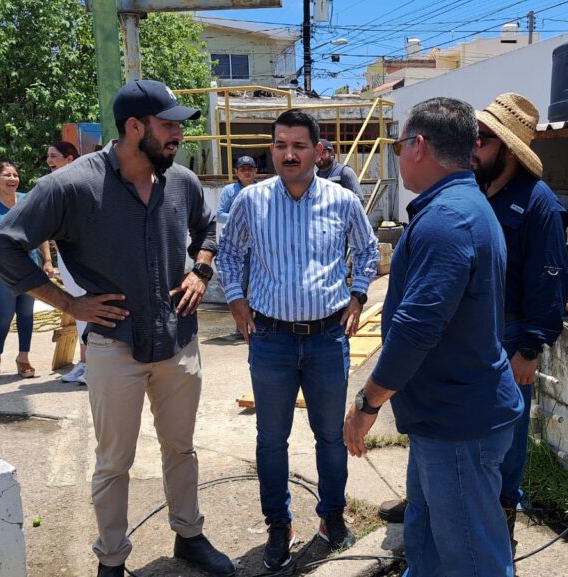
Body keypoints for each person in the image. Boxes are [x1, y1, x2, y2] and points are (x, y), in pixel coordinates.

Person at [0, 79, 235, 577]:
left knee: (180, 448)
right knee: (113, 461)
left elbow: (210, 226)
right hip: (115, 346)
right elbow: (1, 247)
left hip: (178, 341)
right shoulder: (71, 185)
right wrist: (68, 303)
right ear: (135, 127)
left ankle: (189, 535)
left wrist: (200, 270)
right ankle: (112, 561)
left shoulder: (180, 182)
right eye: (167, 125)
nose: (177, 135)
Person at [343, 97, 522, 577]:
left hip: (458, 424)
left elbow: (415, 330)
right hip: (444, 419)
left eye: (400, 145)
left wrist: (367, 404)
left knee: (470, 558)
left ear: (418, 145)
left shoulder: (448, 219)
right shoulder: (462, 207)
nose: (398, 155)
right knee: (427, 542)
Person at [218, 109, 379, 571]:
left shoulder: (342, 200)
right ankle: (278, 525)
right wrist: (235, 299)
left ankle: (331, 519)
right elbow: (229, 252)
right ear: (272, 149)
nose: (289, 154)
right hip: (271, 340)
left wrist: (358, 294)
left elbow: (367, 250)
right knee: (271, 439)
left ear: (318, 150)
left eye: (299, 146)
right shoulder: (252, 201)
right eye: (281, 145)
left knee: (330, 436)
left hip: (329, 338)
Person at [473, 92, 568, 550]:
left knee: (508, 437)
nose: (473, 147)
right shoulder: (473, 192)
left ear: (508, 149)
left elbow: (549, 282)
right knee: (461, 425)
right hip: (470, 330)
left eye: (483, 140)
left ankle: (502, 523)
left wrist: (530, 348)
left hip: (511, 335)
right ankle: (436, 502)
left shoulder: (538, 203)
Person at [0, 161, 53, 380]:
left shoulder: (28, 200)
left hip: (28, 266)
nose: (13, 178)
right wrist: (3, 237)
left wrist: (47, 261)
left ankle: (23, 359)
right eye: (7, 175)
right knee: (5, 313)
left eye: (15, 174)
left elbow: (41, 232)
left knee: (26, 313)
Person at [45, 140, 90, 384]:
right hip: (66, 256)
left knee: (88, 308)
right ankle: (85, 362)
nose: (49, 161)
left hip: (84, 257)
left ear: (70, 159)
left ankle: (92, 364)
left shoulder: (80, 186)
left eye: (54, 156)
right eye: (48, 157)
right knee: (78, 310)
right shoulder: (54, 187)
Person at [216, 156, 259, 335]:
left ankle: (259, 326)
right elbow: (219, 215)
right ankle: (240, 327)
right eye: (242, 169)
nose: (247, 172)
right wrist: (243, 220)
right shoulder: (229, 191)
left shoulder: (261, 190)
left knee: (258, 286)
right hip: (239, 249)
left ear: (256, 171)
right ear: (236, 172)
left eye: (250, 168)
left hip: (259, 248)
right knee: (238, 288)